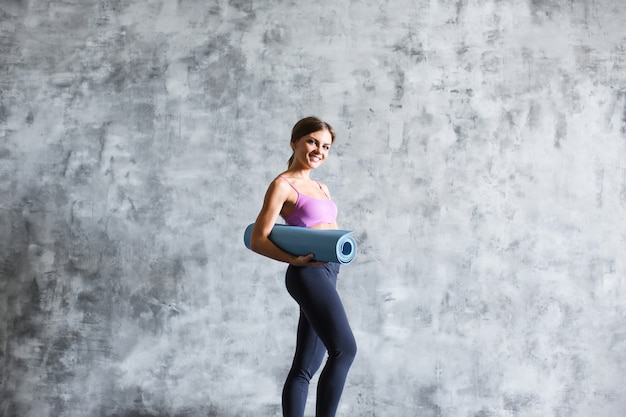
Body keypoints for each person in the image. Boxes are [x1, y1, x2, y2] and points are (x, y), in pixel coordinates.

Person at [249, 116, 357, 417]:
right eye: (312, 141)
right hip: (307, 273)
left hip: (329, 271)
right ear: (295, 142)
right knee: (345, 350)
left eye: (325, 146)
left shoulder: (321, 186)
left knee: (305, 367)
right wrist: (293, 260)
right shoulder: (282, 185)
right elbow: (258, 239)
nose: (318, 150)